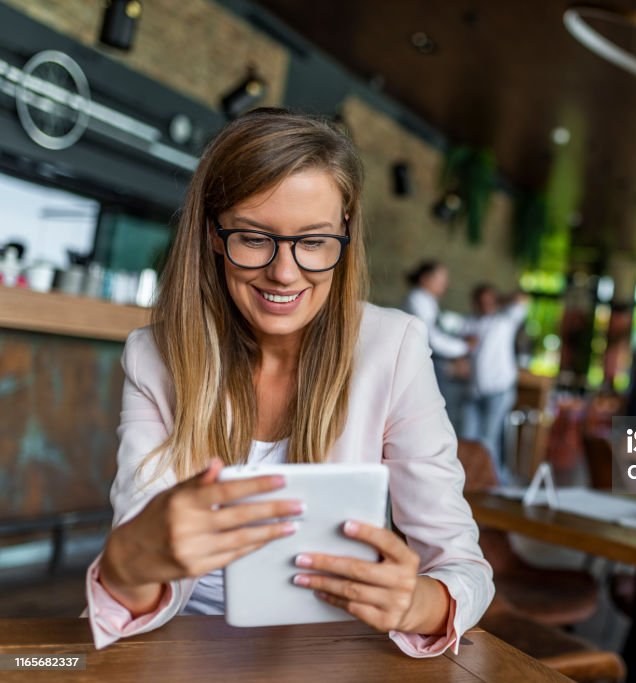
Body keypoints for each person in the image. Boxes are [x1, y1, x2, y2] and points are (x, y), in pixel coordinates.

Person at [84, 109, 494, 656]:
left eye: (314, 241)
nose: (284, 272)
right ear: (212, 233)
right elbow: (131, 585)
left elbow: (463, 565)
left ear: (344, 232)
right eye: (254, 238)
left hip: (328, 655)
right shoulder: (154, 355)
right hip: (179, 648)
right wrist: (130, 559)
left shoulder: (392, 348)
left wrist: (417, 602)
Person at [460, 285, 527, 481]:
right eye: (482, 301)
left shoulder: (505, 321)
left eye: (490, 300)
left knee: (488, 441)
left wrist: (498, 300)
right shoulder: (469, 323)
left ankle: (494, 484)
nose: (486, 304)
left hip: (499, 390)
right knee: (466, 439)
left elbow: (522, 298)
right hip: (473, 391)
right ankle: (469, 483)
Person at [401, 261, 474, 432]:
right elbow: (431, 338)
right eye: (441, 279)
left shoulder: (427, 300)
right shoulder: (418, 299)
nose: (445, 284)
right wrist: (464, 347)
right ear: (426, 279)